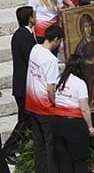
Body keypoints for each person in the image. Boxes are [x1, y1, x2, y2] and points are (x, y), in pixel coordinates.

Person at [25, 25, 64, 173]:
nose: (59, 45)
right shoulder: (51, 60)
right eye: (59, 41)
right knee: (50, 143)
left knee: (38, 142)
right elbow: (50, 89)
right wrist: (58, 104)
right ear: (55, 39)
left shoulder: (35, 49)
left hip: (32, 103)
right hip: (45, 108)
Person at [2, 6, 36, 165]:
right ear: (30, 18)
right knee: (25, 119)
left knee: (26, 118)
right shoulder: (23, 36)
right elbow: (31, 58)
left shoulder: (24, 34)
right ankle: (8, 149)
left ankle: (20, 147)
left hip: (23, 85)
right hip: (23, 86)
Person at [53, 54, 94, 173]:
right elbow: (84, 108)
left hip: (57, 122)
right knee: (80, 160)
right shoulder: (79, 83)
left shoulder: (59, 79)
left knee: (64, 160)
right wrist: (90, 126)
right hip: (74, 124)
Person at [75, 13, 94, 102]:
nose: (88, 29)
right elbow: (78, 60)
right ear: (81, 29)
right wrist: (88, 61)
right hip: (88, 73)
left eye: (90, 26)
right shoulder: (81, 45)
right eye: (85, 26)